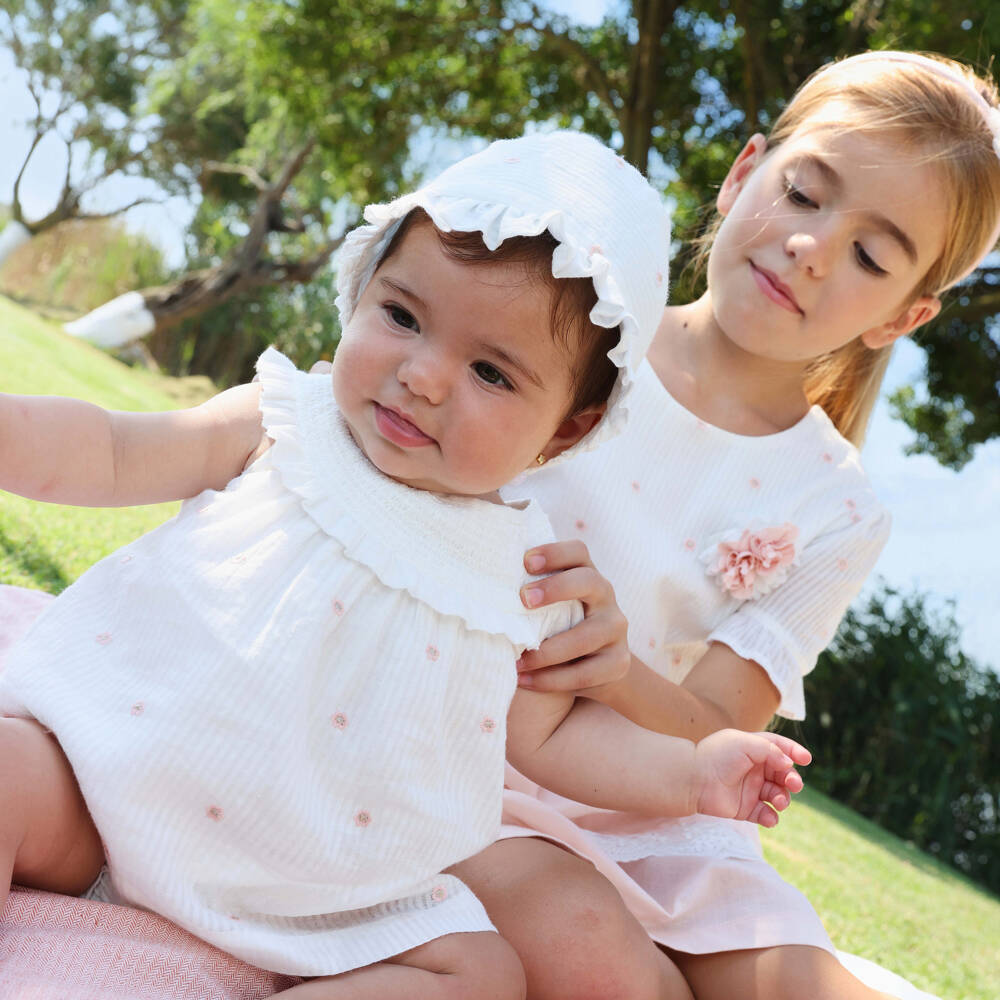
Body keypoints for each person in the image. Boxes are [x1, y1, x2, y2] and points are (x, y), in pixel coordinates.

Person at [0, 132, 811, 1000]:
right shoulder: (283, 424)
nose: (423, 376)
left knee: (478, 974)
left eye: (492, 373)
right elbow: (116, 450)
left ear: (567, 428)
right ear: (360, 291)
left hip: (322, 892)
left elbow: (556, 737)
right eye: (402, 316)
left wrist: (689, 774)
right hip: (109, 784)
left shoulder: (527, 570)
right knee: (7, 766)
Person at [446, 51, 1000, 1000]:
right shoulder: (579, 330)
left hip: (662, 809)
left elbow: (713, 724)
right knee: (612, 969)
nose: (813, 248)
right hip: (476, 757)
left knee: (789, 982)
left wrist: (619, 671)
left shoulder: (838, 507)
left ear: (903, 318)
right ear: (745, 173)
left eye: (871, 254)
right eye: (804, 193)